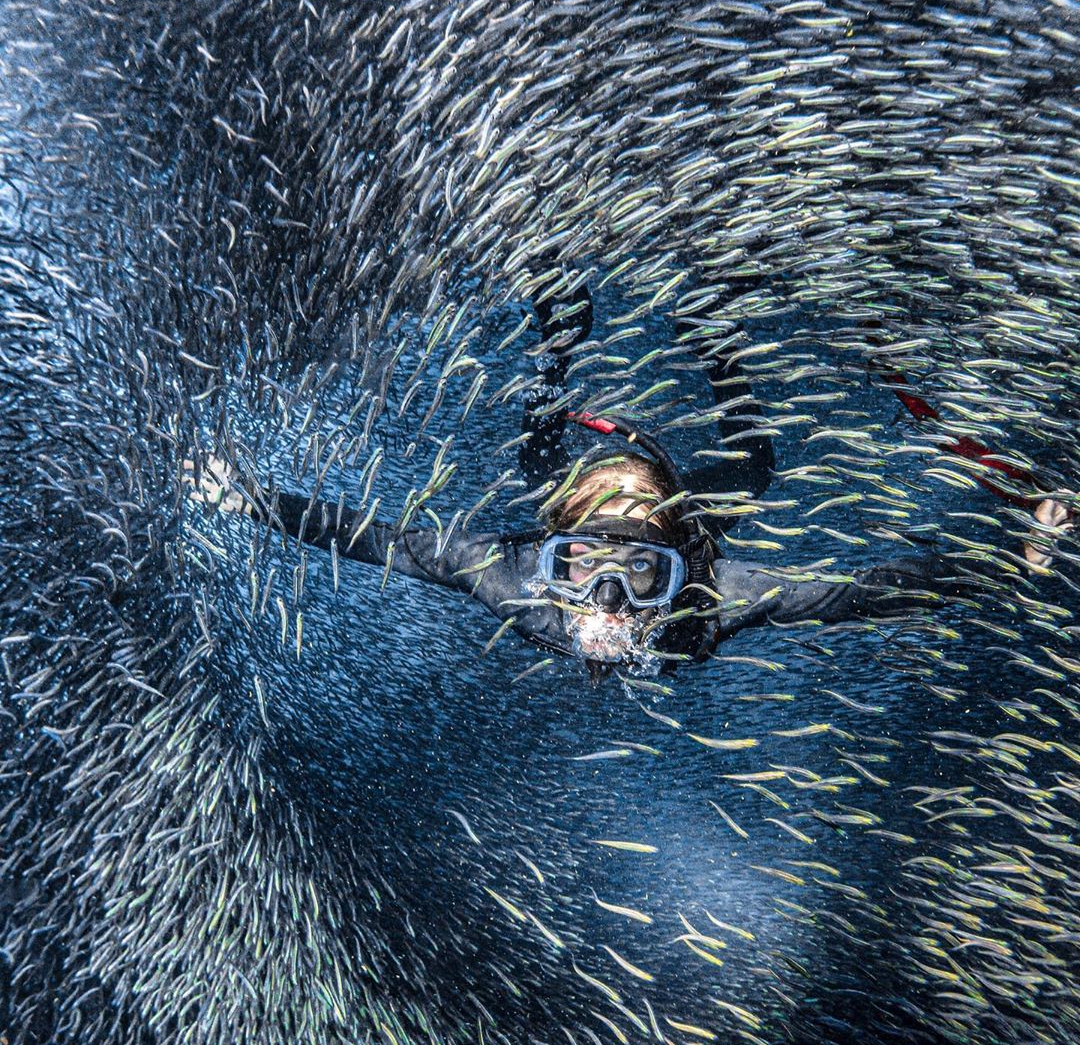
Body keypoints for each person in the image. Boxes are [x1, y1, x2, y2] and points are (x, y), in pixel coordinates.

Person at [182, 290, 1071, 677]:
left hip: (662, 498)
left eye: (640, 571)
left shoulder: (706, 595)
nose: (609, 599)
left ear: (679, 555)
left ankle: (712, 339)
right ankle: (558, 342)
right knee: (549, 458)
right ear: (552, 548)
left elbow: (857, 594)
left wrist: (1013, 556)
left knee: (753, 466)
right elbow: (376, 539)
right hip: (580, 489)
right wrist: (245, 497)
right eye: (586, 564)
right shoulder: (517, 574)